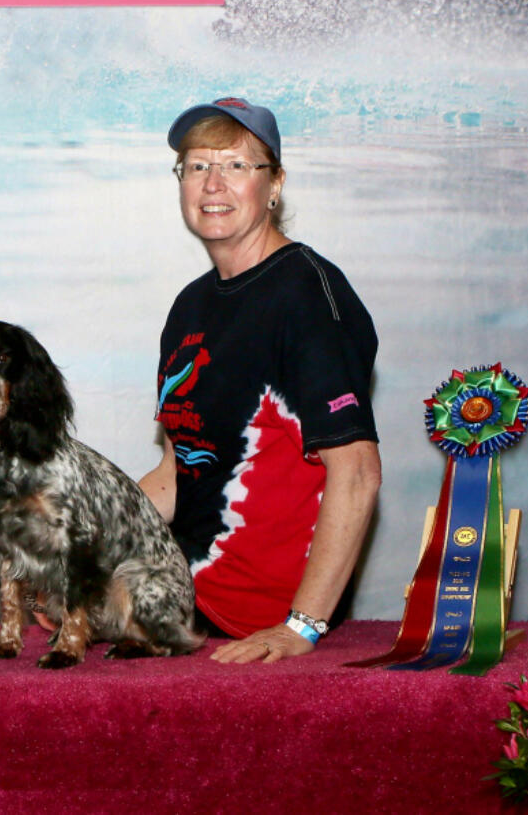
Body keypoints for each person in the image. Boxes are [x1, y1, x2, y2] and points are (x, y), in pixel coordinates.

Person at [139, 97, 381, 664]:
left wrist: (302, 628)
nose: (213, 183)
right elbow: (178, 471)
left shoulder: (309, 296)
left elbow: (359, 473)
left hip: (259, 617)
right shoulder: (189, 307)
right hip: (185, 597)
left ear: (274, 185)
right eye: (198, 165)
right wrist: (85, 549)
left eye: (237, 165)